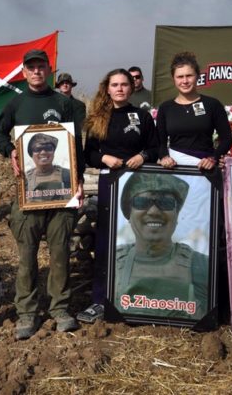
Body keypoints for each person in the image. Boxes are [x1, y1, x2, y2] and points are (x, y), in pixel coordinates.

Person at [0, 49, 83, 340]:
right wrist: (11, 151)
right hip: (27, 193)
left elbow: (74, 143)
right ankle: (27, 312)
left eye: (41, 66)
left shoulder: (62, 103)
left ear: (49, 69)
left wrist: (78, 179)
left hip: (60, 191)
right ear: (24, 71)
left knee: (59, 254)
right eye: (31, 67)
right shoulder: (16, 103)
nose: (36, 71)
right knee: (27, 256)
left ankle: (60, 308)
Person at [79, 68, 160, 324]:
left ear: (131, 88)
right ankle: (100, 301)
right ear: (108, 88)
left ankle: (137, 298)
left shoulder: (142, 116)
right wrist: (104, 157)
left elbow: (156, 147)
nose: (120, 88)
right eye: (115, 84)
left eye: (124, 84)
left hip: (138, 183)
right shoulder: (97, 118)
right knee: (106, 242)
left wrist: (143, 156)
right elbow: (88, 154)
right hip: (109, 182)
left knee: (136, 239)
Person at [113, 173, 208, 319]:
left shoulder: (202, 266)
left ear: (176, 215)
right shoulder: (112, 265)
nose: (154, 211)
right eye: (142, 202)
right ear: (129, 215)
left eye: (165, 203)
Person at [156, 51, 232, 171]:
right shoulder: (165, 108)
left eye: (189, 75)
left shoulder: (212, 104)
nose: (185, 81)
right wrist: (164, 157)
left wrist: (213, 158)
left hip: (205, 168)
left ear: (197, 76)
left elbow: (227, 139)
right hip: (174, 169)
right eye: (180, 77)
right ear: (173, 79)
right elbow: (160, 142)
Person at [22, 133, 73, 204]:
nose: (43, 152)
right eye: (37, 149)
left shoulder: (67, 175)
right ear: (31, 154)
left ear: (53, 153)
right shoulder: (25, 179)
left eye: (48, 148)